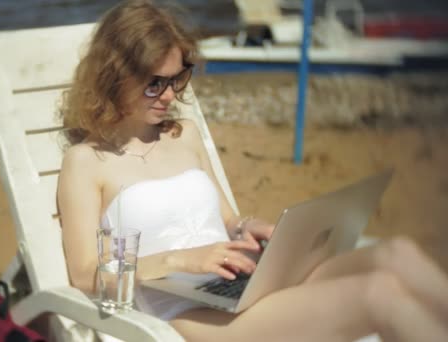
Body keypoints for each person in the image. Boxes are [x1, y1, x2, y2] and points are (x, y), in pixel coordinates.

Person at [57, 1, 448, 340]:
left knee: (398, 253)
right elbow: (83, 275)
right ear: (115, 76)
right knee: (378, 295)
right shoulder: (87, 162)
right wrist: (178, 261)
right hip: (184, 318)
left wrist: (249, 228)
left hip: (238, 286)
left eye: (176, 78)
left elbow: (227, 220)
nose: (171, 95)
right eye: (154, 84)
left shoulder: (184, 134)